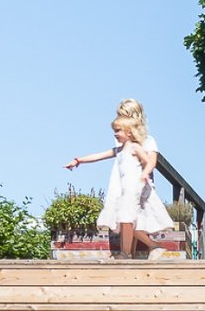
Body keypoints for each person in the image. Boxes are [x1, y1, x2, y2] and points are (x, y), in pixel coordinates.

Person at [64, 99, 172, 260]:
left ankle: (137, 250)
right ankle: (128, 254)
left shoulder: (146, 141)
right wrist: (79, 160)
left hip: (139, 188)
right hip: (123, 187)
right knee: (125, 220)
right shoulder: (122, 147)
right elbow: (100, 155)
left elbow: (151, 162)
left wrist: (144, 175)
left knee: (131, 220)